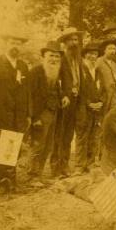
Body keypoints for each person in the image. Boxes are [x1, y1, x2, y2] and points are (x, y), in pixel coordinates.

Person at [0, 30, 31, 194]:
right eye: (12, 42)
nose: (15, 46)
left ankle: (10, 181)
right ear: (6, 43)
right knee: (1, 148)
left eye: (18, 43)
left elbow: (26, 92)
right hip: (2, 114)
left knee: (14, 147)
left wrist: (27, 114)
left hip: (18, 115)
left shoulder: (23, 66)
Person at [28, 41, 65, 184]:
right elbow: (29, 96)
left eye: (57, 56)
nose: (54, 59)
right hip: (40, 114)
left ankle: (39, 174)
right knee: (38, 144)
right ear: (44, 56)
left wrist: (63, 97)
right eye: (51, 55)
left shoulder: (56, 72)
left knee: (48, 146)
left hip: (53, 113)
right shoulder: (36, 72)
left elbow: (56, 90)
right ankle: (32, 176)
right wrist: (34, 117)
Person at [50, 27, 81, 178]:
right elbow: (56, 81)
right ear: (65, 42)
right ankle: (56, 167)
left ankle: (65, 165)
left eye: (76, 40)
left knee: (69, 135)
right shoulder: (61, 59)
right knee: (59, 134)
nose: (74, 43)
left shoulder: (77, 59)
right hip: (64, 101)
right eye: (71, 40)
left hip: (75, 101)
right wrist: (64, 95)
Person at [72, 41, 105, 175]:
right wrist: (88, 103)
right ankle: (79, 165)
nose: (93, 56)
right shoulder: (80, 70)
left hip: (96, 110)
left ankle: (90, 163)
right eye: (90, 54)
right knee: (82, 136)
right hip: (83, 109)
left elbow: (103, 90)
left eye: (95, 54)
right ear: (85, 55)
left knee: (94, 136)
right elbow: (78, 91)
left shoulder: (98, 71)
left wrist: (101, 103)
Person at [95, 38, 116, 115]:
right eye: (110, 48)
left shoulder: (114, 64)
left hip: (113, 93)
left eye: (114, 49)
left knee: (112, 113)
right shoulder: (98, 61)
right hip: (103, 94)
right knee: (102, 113)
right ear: (104, 50)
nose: (112, 51)